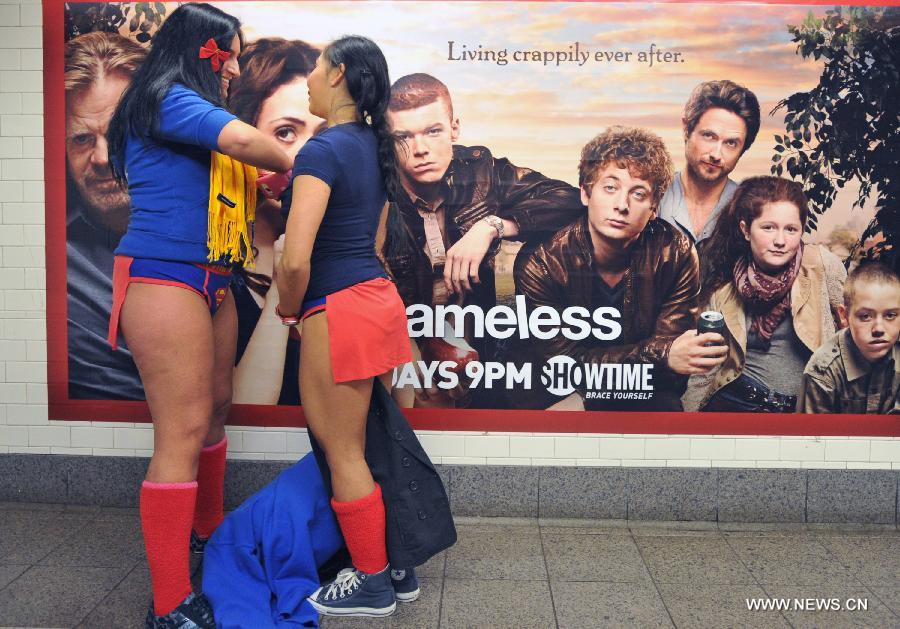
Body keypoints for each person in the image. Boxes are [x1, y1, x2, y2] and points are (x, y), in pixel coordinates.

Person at [105, 4, 293, 627]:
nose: (236, 65)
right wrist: (296, 159)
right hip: (164, 277)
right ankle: (169, 603)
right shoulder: (166, 96)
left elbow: (227, 171)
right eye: (229, 52)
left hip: (215, 277)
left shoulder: (187, 108)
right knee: (181, 431)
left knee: (214, 409)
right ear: (198, 48)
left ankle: (207, 533)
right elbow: (245, 141)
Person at [275, 36, 414, 617]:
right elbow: (375, 242)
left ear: (338, 76)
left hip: (339, 308)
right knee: (368, 445)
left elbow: (296, 258)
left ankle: (373, 581)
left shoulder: (321, 151)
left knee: (344, 453)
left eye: (315, 68)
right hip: (377, 302)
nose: (308, 78)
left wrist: (289, 310)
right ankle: (393, 566)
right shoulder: (369, 147)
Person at [384, 73, 584, 407]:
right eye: (404, 137)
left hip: (484, 353)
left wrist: (492, 226)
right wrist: (410, 362)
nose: (420, 150)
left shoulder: (482, 172)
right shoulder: (379, 190)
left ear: (454, 128)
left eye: (433, 131)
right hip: (404, 352)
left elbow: (570, 198)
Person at [509, 126, 727, 411]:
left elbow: (674, 371)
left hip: (645, 394)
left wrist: (661, 360)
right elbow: (559, 367)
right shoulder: (543, 262)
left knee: (666, 405)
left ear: (654, 208)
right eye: (610, 188)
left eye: (638, 194)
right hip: (557, 397)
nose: (621, 205)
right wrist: (660, 356)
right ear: (586, 194)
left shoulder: (675, 253)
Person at [684, 176, 847, 413]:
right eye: (768, 227)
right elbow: (706, 369)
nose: (780, 241)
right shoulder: (724, 286)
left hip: (808, 408)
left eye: (791, 229)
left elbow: (856, 338)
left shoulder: (822, 265)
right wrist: (687, 424)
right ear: (746, 230)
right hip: (738, 404)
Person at [225, 37, 320, 405]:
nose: (307, 155)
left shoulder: (339, 250)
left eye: (322, 137)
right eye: (285, 133)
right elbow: (247, 412)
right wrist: (285, 286)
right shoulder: (212, 259)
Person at [65, 31, 146, 399]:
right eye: (81, 139)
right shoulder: (59, 259)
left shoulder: (214, 227)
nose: (101, 158)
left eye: (120, 135)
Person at [657, 79, 760, 249]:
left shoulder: (750, 209)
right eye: (708, 136)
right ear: (686, 129)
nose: (716, 155)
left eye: (731, 143)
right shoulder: (652, 196)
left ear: (744, 148)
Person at [799, 262, 900, 414]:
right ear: (844, 316)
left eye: (890, 315)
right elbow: (813, 436)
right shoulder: (823, 372)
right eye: (865, 316)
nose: (879, 328)